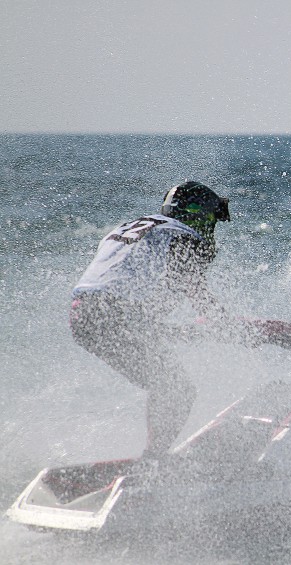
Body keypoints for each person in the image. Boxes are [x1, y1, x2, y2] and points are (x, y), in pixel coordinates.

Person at [70, 180, 242, 460]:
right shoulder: (183, 236)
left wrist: (205, 327)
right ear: (200, 215)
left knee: (166, 381)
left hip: (81, 314)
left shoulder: (132, 228)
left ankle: (153, 456)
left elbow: (121, 287)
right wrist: (226, 324)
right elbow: (193, 287)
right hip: (117, 313)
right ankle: (152, 462)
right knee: (176, 388)